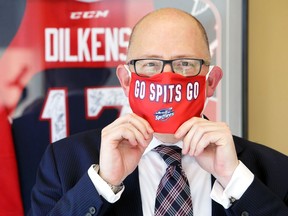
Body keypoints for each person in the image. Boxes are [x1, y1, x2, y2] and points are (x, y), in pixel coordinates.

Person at [29, 8, 288, 216]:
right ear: (126, 81)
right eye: (150, 64)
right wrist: (103, 184)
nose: (166, 78)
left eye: (185, 63)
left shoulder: (275, 170)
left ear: (211, 82)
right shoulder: (64, 163)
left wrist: (235, 182)